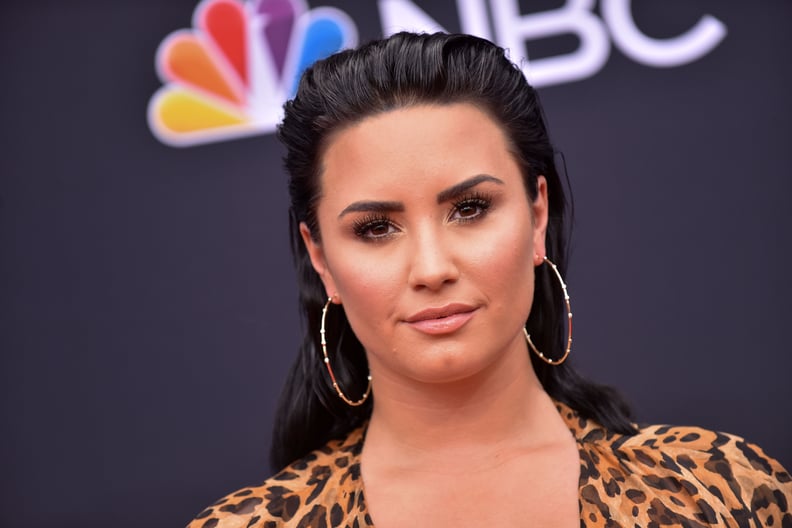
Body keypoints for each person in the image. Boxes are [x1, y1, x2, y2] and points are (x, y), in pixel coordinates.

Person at [187, 32, 791, 527]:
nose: (431, 268)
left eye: (470, 209)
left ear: (536, 216)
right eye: (375, 227)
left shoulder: (718, 492)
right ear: (320, 257)